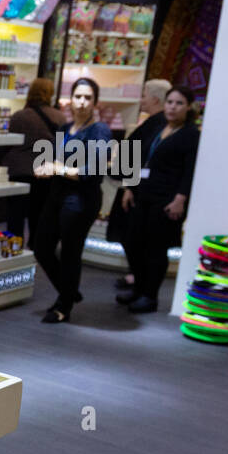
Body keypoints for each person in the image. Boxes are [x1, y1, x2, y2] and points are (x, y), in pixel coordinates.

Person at [32, 77, 114, 324]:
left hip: (81, 200)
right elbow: (51, 163)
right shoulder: (64, 129)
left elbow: (91, 171)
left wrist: (57, 167)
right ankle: (70, 291)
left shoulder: (99, 131)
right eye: (78, 96)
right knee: (42, 248)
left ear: (95, 102)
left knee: (70, 252)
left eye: (88, 97)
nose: (81, 102)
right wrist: (46, 169)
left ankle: (63, 305)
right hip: (57, 196)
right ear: (70, 99)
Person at [117, 86, 200, 313]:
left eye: (179, 103)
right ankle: (139, 287)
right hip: (143, 193)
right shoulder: (157, 127)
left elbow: (190, 170)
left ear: (189, 107)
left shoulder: (191, 135)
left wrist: (181, 199)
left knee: (155, 248)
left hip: (166, 199)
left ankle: (149, 296)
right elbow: (137, 154)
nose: (172, 107)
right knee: (133, 241)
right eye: (170, 102)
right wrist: (129, 187)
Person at [109, 78, 174, 290]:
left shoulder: (157, 126)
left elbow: (139, 156)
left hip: (139, 190)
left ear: (155, 99)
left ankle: (140, 279)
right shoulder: (155, 124)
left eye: (144, 95)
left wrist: (129, 183)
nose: (141, 99)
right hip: (136, 187)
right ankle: (139, 278)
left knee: (134, 237)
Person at [0, 78, 65, 242]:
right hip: (43, 170)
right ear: (50, 94)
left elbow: (7, 142)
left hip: (17, 169)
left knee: (15, 214)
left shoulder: (19, 116)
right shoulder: (59, 117)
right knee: (38, 213)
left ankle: (13, 247)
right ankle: (35, 247)